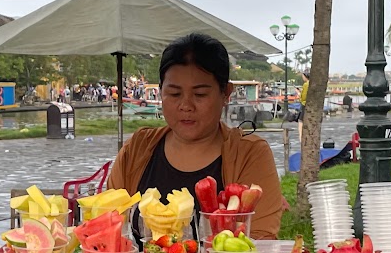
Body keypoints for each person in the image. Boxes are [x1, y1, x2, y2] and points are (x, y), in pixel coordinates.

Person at [106, 33, 285, 239]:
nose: (186, 106)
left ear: (225, 93)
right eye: (174, 94)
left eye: (200, 95)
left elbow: (258, 243)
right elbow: (108, 225)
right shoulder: (137, 149)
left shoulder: (249, 155)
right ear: (160, 91)